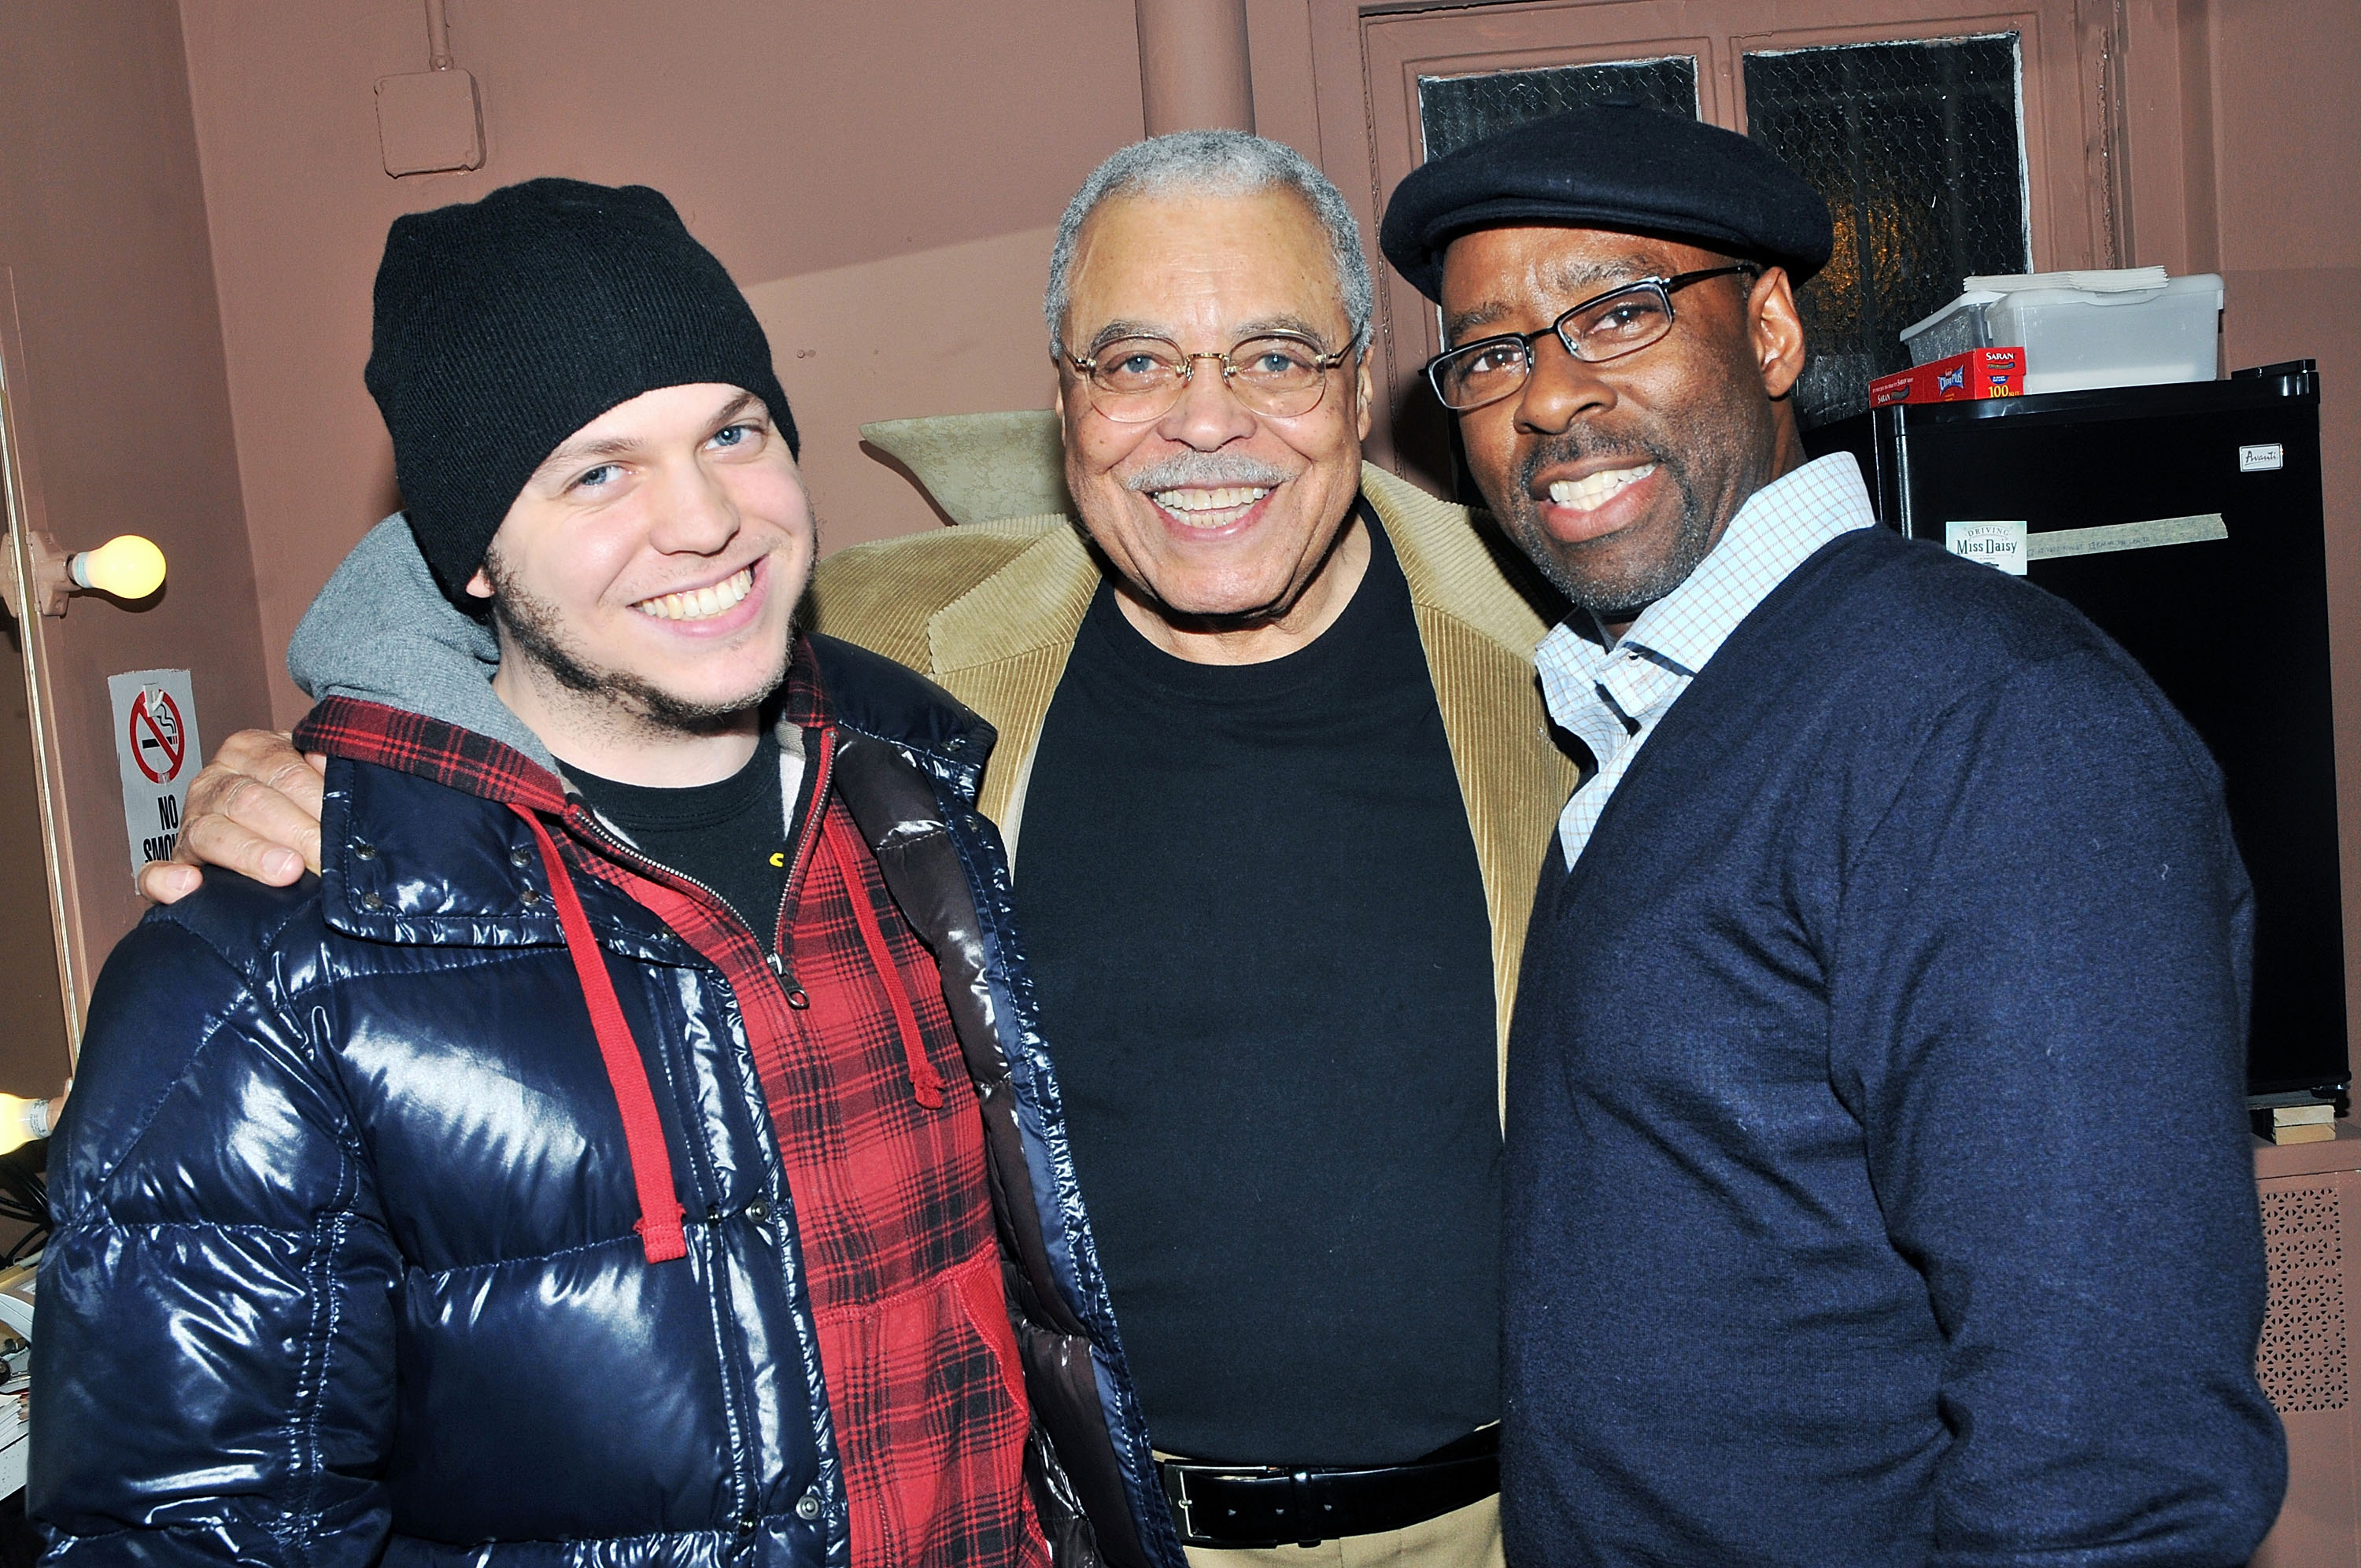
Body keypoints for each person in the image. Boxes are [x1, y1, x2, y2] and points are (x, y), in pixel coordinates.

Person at [142, 134, 1578, 1568]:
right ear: (1062, 393)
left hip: (1491, 1528)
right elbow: (572, 598)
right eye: (1135, 363)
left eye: (1274, 355)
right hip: (1099, 1529)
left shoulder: (1561, 652)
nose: (1206, 424)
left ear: (1357, 368)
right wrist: (330, 755)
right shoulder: (908, 656)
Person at [35, 178, 1181, 1568]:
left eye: (734, 433)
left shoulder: (917, 819)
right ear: (471, 558)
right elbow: (189, 1534)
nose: (705, 520)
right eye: (597, 470)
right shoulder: (263, 967)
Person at [1375, 101, 2287, 1564]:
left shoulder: (1993, 727)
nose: (1545, 398)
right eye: (1490, 353)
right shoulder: (1649, 716)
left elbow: (2113, 1464)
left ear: (1777, 332)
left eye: (1614, 311)